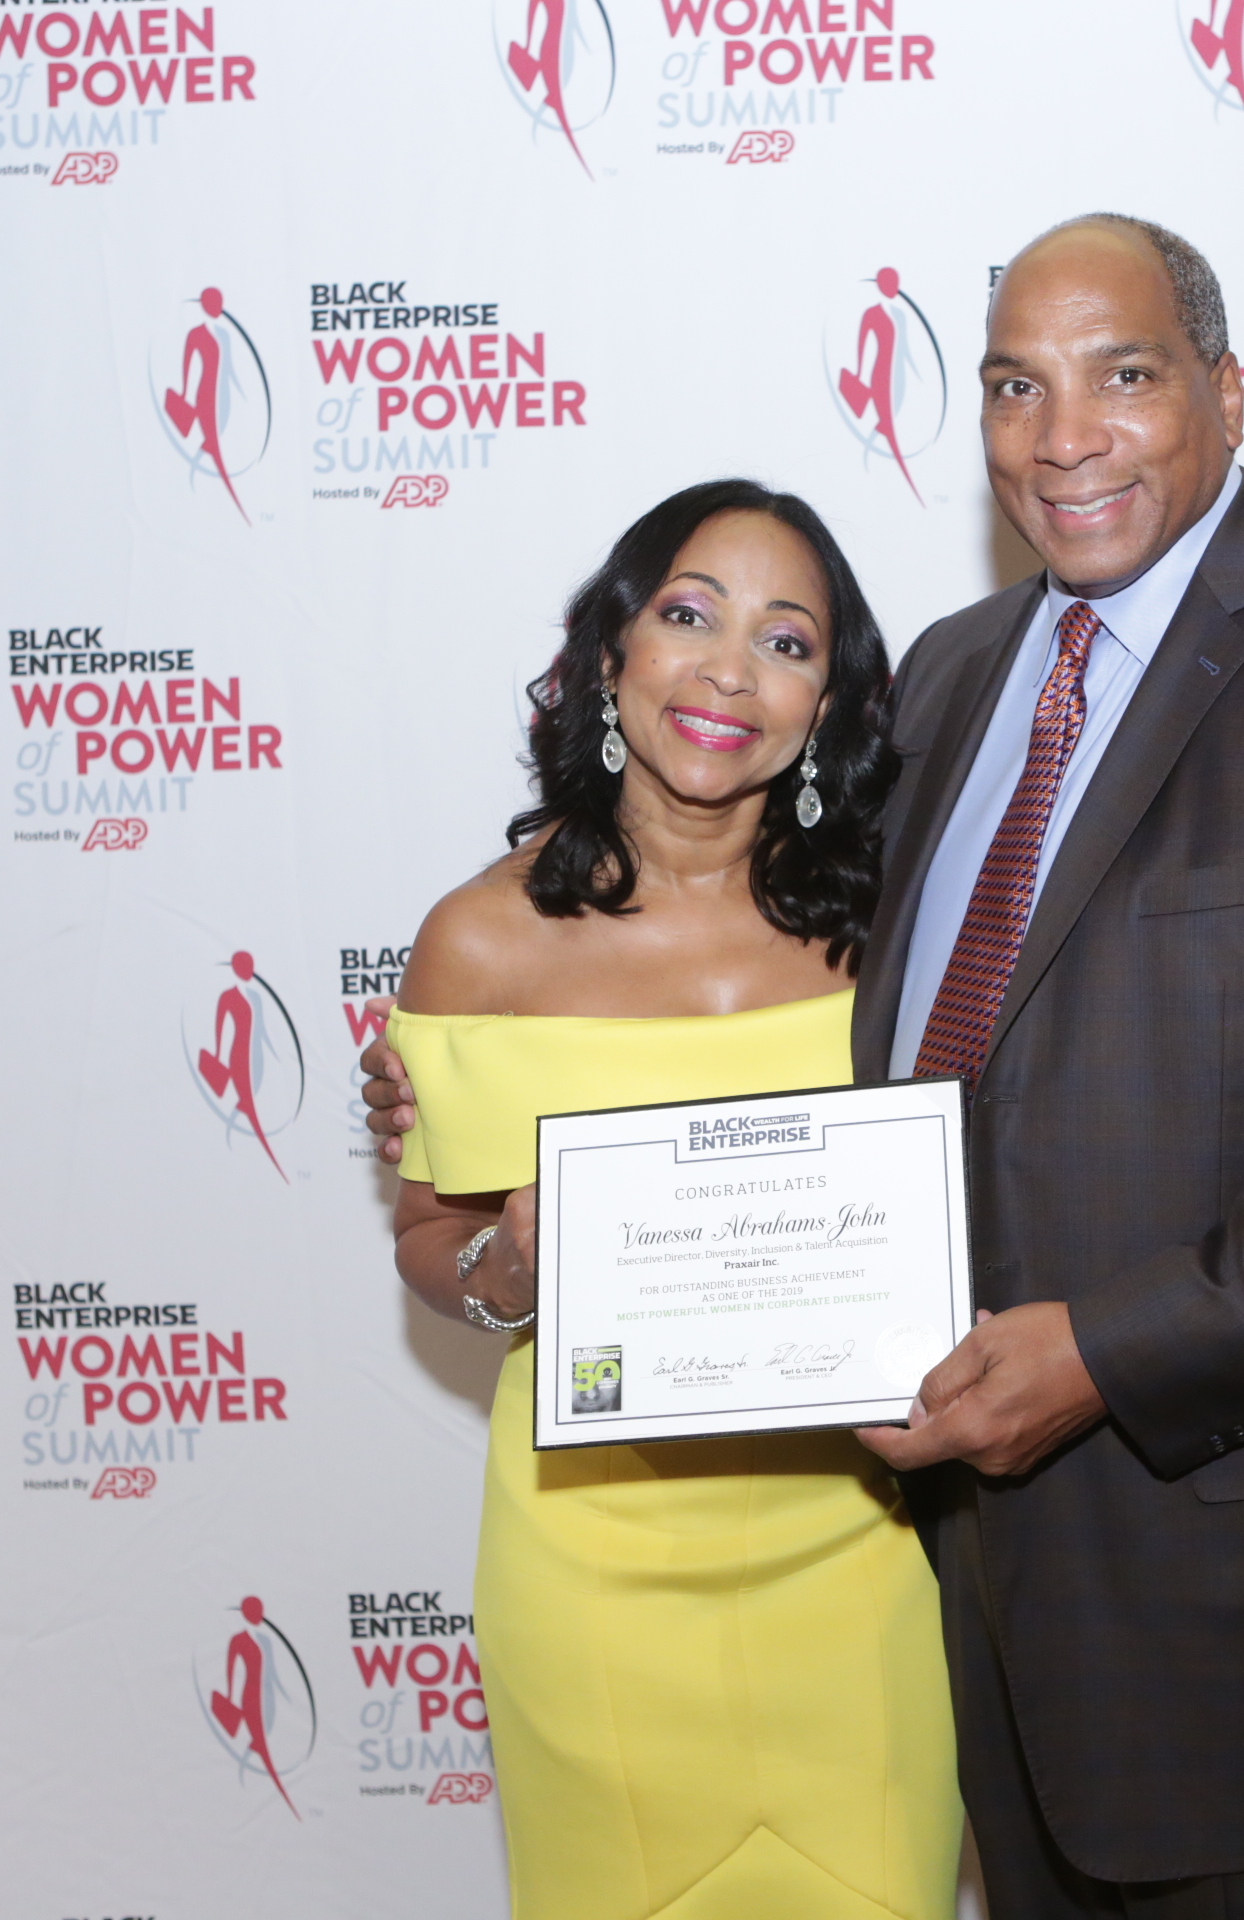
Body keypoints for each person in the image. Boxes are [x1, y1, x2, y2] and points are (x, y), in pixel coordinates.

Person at [368, 217, 1244, 1918]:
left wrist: (1106, 1352)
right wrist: (463, 1101)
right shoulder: (957, 683)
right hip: (982, 1626)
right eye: (1016, 387)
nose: (1064, 435)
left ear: (1230, 393)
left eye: (1125, 375)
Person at [381, 479, 959, 1920]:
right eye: (690, 616)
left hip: (869, 1548)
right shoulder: (479, 941)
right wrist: (509, 1269)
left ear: (829, 704)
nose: (728, 671)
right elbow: (431, 1238)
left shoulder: (902, 924)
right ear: (613, 653)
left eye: (787, 641)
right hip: (598, 1569)